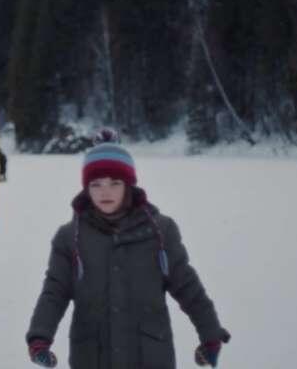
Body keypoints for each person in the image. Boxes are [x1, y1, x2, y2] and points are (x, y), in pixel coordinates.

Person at [25, 129, 230, 368]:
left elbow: (188, 287)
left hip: (150, 357)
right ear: (86, 188)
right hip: (92, 358)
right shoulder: (69, 237)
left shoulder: (160, 231)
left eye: (115, 183)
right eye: (96, 184)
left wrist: (210, 334)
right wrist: (40, 338)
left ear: (128, 185)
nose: (105, 192)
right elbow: (54, 292)